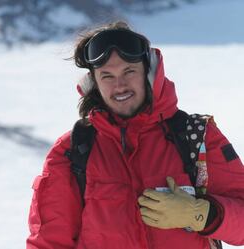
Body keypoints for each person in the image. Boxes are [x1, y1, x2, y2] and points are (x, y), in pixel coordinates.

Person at [26, 21, 244, 249]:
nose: (119, 85)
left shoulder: (195, 136)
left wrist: (199, 214)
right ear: (93, 83)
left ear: (149, 73)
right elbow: (48, 243)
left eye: (129, 71)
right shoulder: (72, 151)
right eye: (107, 76)